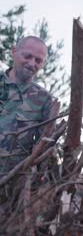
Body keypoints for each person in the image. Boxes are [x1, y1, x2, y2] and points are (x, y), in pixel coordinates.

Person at [0, 36, 53, 177]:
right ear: (14, 51)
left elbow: (44, 145)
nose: (31, 63)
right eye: (27, 56)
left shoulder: (44, 99)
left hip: (11, 183)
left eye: (38, 60)